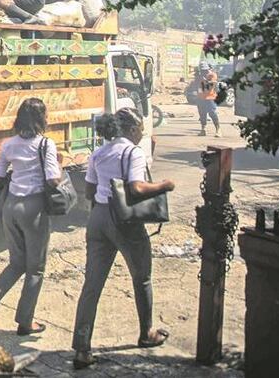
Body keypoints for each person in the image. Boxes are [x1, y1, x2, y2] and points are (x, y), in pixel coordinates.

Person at [72, 108, 175, 370]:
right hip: (124, 222)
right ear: (130, 129)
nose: (142, 132)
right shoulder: (133, 152)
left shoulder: (99, 153)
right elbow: (136, 188)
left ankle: (82, 349)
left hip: (98, 218)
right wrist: (164, 185)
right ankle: (147, 333)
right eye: (140, 128)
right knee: (142, 278)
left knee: (92, 286)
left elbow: (90, 190)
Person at [0, 98, 61, 337]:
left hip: (10, 207)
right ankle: (25, 322)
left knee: (16, 263)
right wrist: (60, 167)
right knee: (35, 268)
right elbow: (53, 180)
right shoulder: (46, 145)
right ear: (41, 119)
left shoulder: (9, 144)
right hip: (33, 209)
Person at [195, 62, 221, 137]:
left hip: (210, 98)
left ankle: (218, 129)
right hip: (201, 98)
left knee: (212, 113)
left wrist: (205, 80)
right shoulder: (199, 76)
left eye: (205, 70)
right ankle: (203, 129)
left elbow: (210, 87)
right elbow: (197, 86)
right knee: (202, 114)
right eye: (202, 70)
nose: (204, 72)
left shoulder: (212, 75)